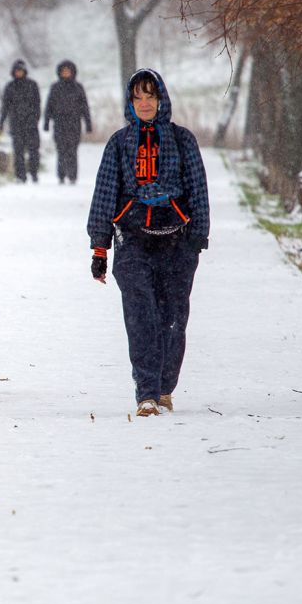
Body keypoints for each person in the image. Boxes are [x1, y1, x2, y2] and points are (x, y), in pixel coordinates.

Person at [86, 68, 209, 417]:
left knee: (173, 318)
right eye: (137, 97)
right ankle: (147, 392)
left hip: (177, 241)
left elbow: (198, 189)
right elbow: (105, 195)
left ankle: (165, 387)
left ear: (161, 100)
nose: (144, 103)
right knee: (141, 317)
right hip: (133, 241)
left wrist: (198, 236)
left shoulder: (183, 141)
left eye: (150, 96)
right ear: (129, 102)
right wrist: (99, 247)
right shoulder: (119, 143)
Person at [43, 59, 93, 183]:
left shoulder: (78, 87)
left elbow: (84, 106)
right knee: (61, 149)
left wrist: (88, 123)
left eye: (68, 71)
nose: (65, 73)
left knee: (72, 150)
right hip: (59, 123)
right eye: (63, 71)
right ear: (59, 72)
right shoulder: (55, 88)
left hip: (74, 123)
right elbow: (49, 106)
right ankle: (61, 175)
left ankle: (72, 176)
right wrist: (46, 122)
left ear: (73, 72)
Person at [0, 59, 41, 183]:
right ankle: (20, 175)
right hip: (16, 124)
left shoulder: (32, 85)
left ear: (25, 71)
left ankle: (34, 172)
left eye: (21, 71)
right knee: (18, 151)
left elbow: (37, 104)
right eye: (17, 71)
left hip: (31, 124)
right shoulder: (10, 87)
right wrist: (1, 123)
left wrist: (35, 118)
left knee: (33, 150)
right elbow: (5, 106)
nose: (19, 73)